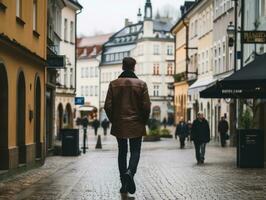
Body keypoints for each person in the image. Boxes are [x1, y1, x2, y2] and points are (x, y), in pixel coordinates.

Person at [104, 57, 151, 194]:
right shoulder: (141, 84)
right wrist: (143, 120)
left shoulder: (113, 84)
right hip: (137, 123)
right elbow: (146, 107)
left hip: (119, 123)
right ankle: (130, 172)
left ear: (123, 66)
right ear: (134, 67)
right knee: (135, 151)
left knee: (122, 152)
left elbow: (107, 106)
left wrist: (115, 120)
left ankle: (123, 183)